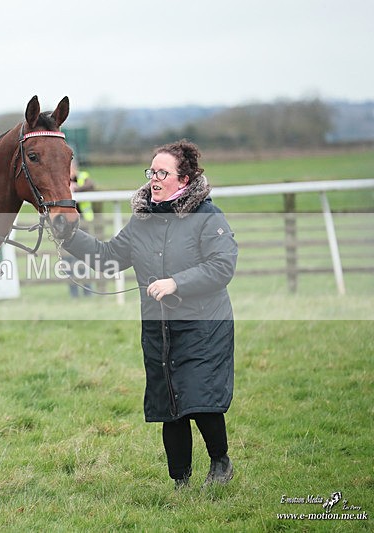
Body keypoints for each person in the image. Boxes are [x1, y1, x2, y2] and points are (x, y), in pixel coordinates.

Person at [62, 140, 237, 489]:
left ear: (183, 180)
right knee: (170, 404)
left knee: (199, 398)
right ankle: (180, 482)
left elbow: (222, 266)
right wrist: (68, 236)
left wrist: (177, 282)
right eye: (151, 171)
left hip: (204, 325)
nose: (154, 179)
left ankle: (220, 463)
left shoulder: (207, 216)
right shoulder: (142, 221)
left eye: (162, 172)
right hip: (158, 328)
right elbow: (107, 257)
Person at [65, 158, 96, 297]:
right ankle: (74, 292)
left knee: (84, 256)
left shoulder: (83, 177)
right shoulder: (61, 179)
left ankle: (87, 289)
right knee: (68, 258)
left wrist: (76, 188)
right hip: (66, 224)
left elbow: (91, 185)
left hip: (83, 223)